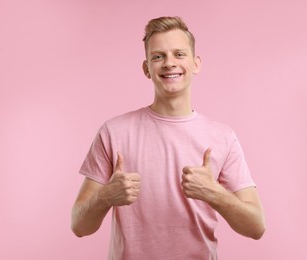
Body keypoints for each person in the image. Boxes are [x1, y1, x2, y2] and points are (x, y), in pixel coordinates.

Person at [71, 16, 265, 259]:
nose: (169, 63)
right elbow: (79, 225)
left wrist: (213, 193)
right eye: (158, 56)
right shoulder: (113, 132)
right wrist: (105, 197)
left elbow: (256, 226)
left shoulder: (223, 137)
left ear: (196, 64)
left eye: (179, 54)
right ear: (146, 68)